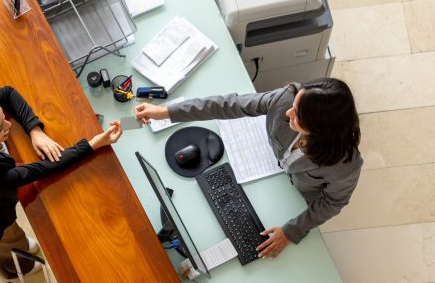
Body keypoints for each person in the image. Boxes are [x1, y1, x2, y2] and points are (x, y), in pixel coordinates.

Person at [134, 78, 362, 258]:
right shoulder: (286, 99)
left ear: (321, 129)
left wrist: (291, 231)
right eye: (294, 105)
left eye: (297, 115)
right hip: (269, 177)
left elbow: (333, 203)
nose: (287, 113)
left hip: (295, 198)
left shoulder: (345, 164)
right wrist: (167, 111)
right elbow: (229, 105)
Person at [0, 86, 122, 278]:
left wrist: (35, 130)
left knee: (18, 238)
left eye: (3, 117)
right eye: (0, 128)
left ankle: (22, 247)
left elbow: (8, 93)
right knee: (10, 246)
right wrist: (93, 144)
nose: (7, 125)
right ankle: (24, 267)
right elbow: (41, 169)